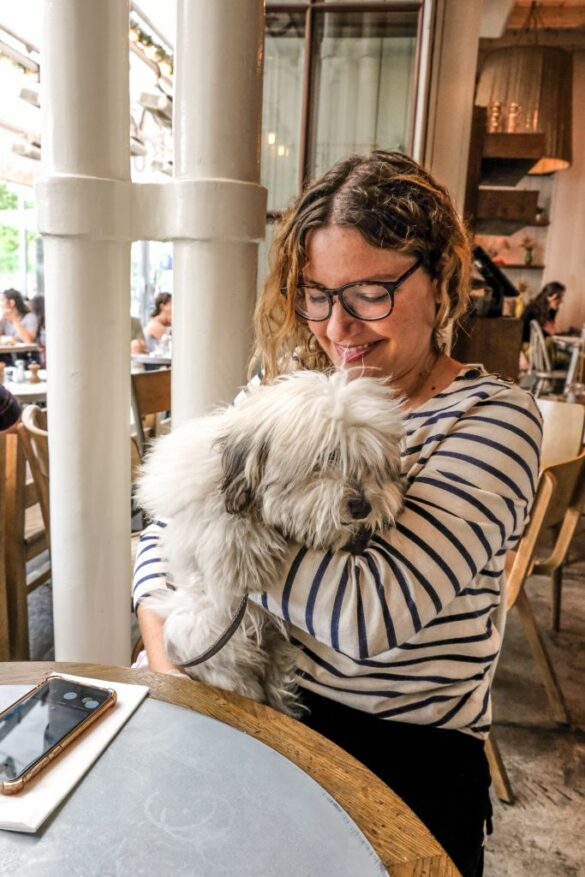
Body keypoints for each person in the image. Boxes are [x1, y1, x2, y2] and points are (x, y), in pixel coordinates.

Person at [132, 151, 541, 877]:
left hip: (399, 766)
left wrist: (219, 532)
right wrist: (171, 663)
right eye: (317, 294)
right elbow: (157, 532)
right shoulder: (299, 397)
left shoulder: (490, 421)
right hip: (250, 726)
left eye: (371, 291)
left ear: (440, 277)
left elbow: (366, 618)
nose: (337, 327)